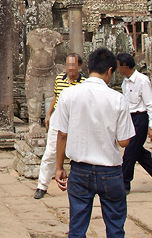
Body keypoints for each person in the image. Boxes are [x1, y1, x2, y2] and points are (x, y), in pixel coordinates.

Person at [53, 48, 135, 238]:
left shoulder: (68, 95)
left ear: (88, 69)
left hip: (80, 170)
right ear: (110, 71)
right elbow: (124, 141)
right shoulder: (118, 99)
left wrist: (59, 167)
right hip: (110, 170)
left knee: (77, 228)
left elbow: (62, 134)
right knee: (115, 227)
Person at [117, 53, 152, 195]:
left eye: (119, 66)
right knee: (139, 153)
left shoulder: (142, 81)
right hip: (130, 119)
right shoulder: (125, 83)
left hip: (141, 119)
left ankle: (125, 183)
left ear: (125, 66)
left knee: (130, 153)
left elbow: (151, 104)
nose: (118, 69)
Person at [34, 53, 85, 199]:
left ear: (79, 66)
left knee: (77, 152)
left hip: (76, 118)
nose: (70, 68)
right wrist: (49, 114)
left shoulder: (84, 83)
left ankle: (77, 185)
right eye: (68, 65)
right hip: (58, 116)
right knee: (50, 151)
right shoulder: (59, 79)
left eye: (73, 65)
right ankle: (42, 185)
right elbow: (55, 96)